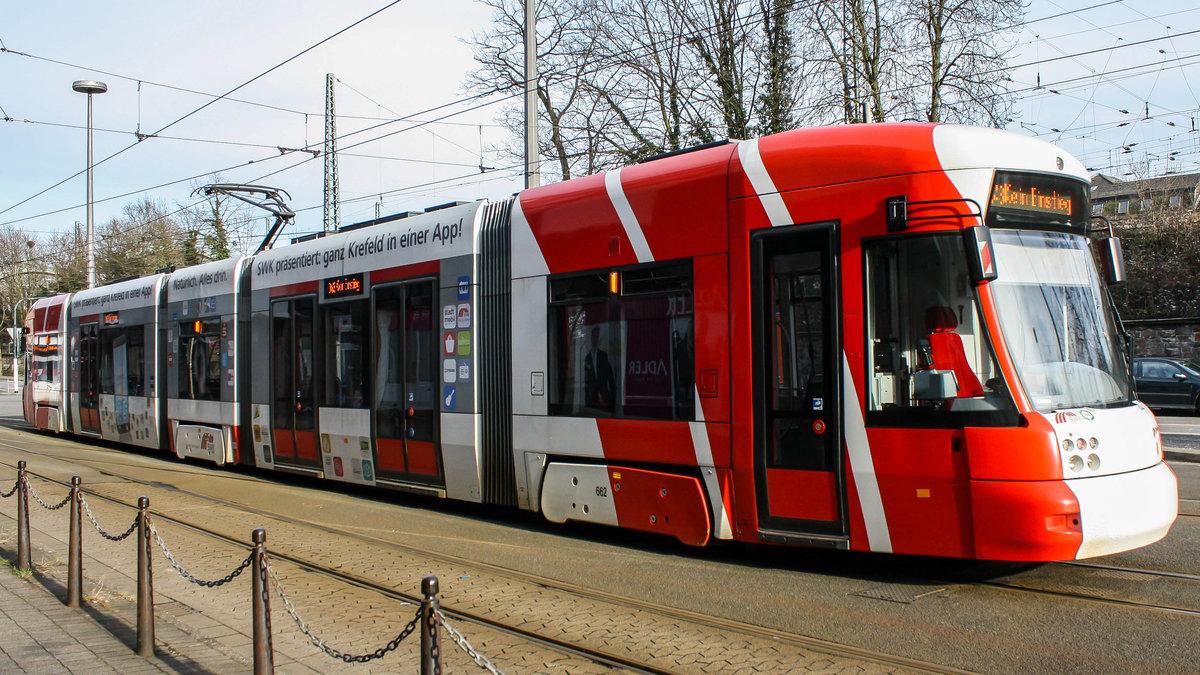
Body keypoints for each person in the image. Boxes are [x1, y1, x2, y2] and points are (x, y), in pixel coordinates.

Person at [583, 325, 615, 413]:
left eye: (597, 337)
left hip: (603, 387)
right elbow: (586, 377)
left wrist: (612, 393)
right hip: (593, 390)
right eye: (594, 336)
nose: (595, 339)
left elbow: (609, 374)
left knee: (608, 409)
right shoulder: (587, 357)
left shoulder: (603, 355)